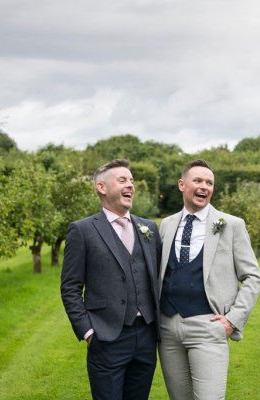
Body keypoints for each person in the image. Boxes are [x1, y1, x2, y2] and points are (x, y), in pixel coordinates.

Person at [158, 159, 260, 400]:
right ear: (182, 185)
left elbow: (253, 276)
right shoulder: (167, 224)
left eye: (210, 182)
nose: (205, 186)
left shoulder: (232, 225)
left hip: (208, 326)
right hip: (167, 329)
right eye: (198, 181)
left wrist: (233, 320)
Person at [60, 159, 161, 400]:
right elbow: (70, 287)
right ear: (101, 187)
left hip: (146, 336)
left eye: (132, 181)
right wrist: (87, 331)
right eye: (123, 180)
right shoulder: (82, 230)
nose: (131, 186)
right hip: (106, 337)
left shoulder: (149, 228)